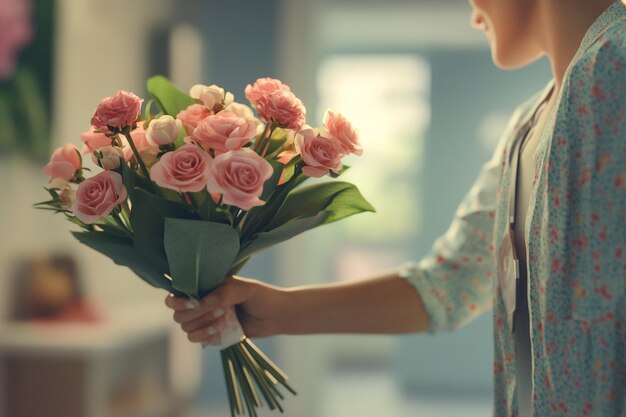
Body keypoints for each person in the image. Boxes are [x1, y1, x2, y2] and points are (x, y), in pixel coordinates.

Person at [166, 0, 626, 415]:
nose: (472, 13)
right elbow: (450, 283)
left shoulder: (615, 66)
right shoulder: (526, 127)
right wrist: (278, 310)